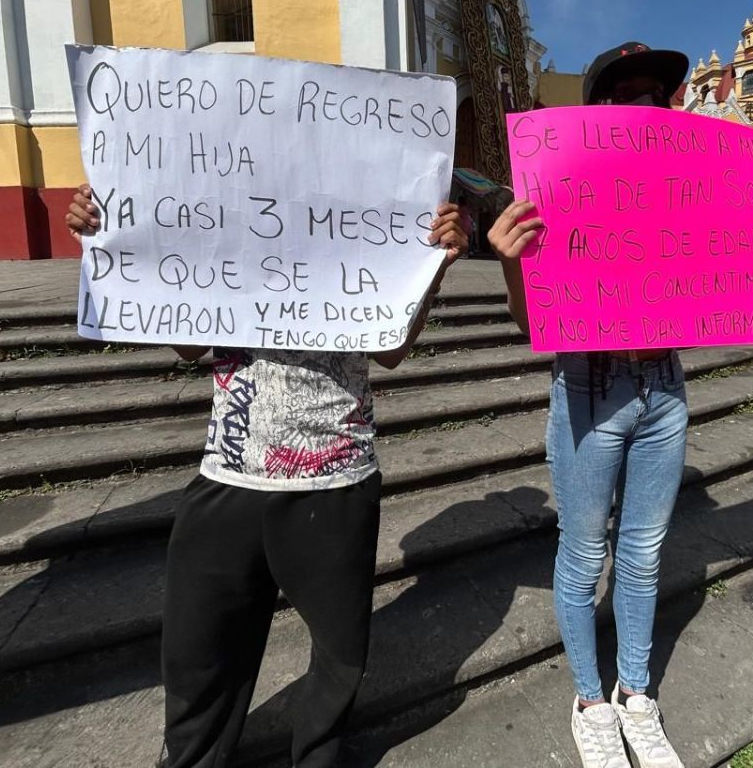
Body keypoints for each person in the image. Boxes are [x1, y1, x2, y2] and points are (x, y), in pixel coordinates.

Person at [488, 42, 753, 768]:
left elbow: (718, 275)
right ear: (599, 109)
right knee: (583, 554)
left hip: (664, 390)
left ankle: (635, 693)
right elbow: (529, 322)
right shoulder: (562, 185)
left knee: (641, 554)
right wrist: (515, 262)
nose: (644, 101)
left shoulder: (689, 179)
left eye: (655, 91)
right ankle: (590, 702)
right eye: (627, 90)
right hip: (589, 390)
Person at [66, 186, 468, 768]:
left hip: (337, 477)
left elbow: (391, 351)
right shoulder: (221, 196)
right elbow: (187, 346)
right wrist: (113, 240)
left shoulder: (367, 198)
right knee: (196, 656)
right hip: (229, 470)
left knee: (337, 660)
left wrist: (431, 267)